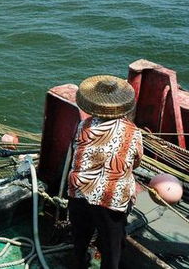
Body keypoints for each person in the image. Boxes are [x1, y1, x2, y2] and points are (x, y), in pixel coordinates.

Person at [67, 75, 143, 269]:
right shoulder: (132, 131)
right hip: (111, 197)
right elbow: (135, 163)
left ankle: (78, 262)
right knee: (111, 248)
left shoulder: (82, 126)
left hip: (79, 190)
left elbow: (78, 151)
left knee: (80, 237)